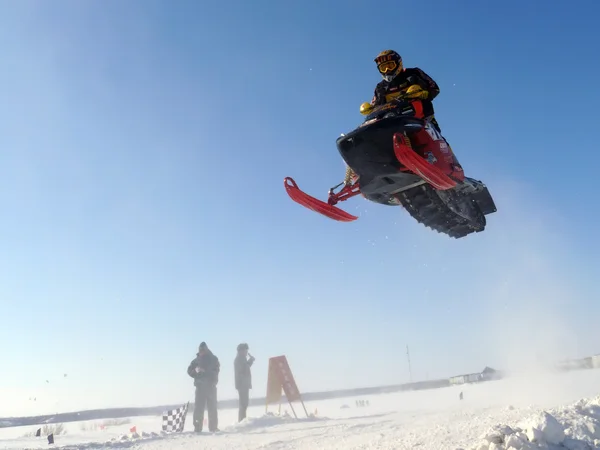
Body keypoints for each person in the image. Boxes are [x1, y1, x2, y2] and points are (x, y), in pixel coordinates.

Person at [187, 342, 220, 432]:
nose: (202, 352)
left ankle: (213, 427)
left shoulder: (213, 359)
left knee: (212, 407)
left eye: (203, 350)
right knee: (198, 408)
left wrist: (205, 372)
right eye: (200, 351)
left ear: (206, 350)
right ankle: (197, 427)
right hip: (200, 387)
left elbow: (216, 371)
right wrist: (195, 371)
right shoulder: (196, 361)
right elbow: (189, 371)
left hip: (211, 386)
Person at [234, 343, 255, 422]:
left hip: (244, 384)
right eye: (245, 350)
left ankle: (243, 420)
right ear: (241, 351)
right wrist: (250, 360)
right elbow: (243, 370)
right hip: (242, 384)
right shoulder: (239, 359)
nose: (246, 352)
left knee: (244, 404)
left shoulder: (242, 359)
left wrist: (250, 361)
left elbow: (245, 367)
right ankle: (242, 421)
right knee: (243, 404)